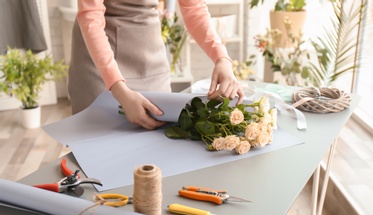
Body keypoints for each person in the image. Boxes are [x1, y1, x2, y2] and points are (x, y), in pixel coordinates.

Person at [68, 0, 244, 130]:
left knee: (160, 137)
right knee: (96, 144)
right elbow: (91, 16)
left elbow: (194, 8)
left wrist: (222, 58)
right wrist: (118, 89)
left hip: (148, 51)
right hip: (99, 60)